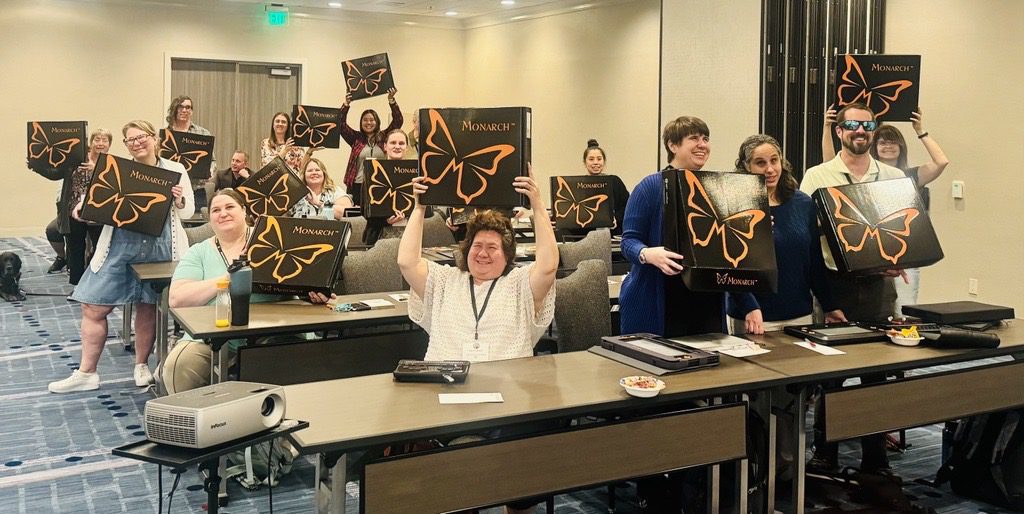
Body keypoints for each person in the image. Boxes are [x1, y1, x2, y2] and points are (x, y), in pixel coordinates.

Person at [398, 169, 556, 514]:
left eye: (493, 247)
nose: (483, 254)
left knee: (535, 430)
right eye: (477, 246)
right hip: (447, 395)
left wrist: (537, 203)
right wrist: (420, 207)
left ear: (508, 254)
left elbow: (547, 266)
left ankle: (510, 498)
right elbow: (406, 261)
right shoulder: (445, 281)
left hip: (507, 400)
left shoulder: (518, 285)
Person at [48, 120, 194, 393]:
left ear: (155, 139)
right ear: (125, 145)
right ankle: (86, 372)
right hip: (118, 246)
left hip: (160, 248)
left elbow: (186, 213)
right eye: (131, 140)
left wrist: (179, 199)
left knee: (147, 305)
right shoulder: (117, 170)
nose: (137, 143)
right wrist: (82, 209)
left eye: (142, 137)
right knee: (92, 305)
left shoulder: (175, 170)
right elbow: (91, 200)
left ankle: (141, 366)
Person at [801, 102, 905, 473]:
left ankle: (874, 457)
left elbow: (901, 229)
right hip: (835, 286)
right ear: (840, 131)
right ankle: (825, 452)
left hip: (880, 287)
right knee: (832, 374)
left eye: (867, 125)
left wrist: (899, 256)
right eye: (852, 125)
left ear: (874, 130)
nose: (860, 131)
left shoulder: (893, 176)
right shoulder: (817, 176)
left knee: (877, 373)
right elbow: (807, 237)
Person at [163, 188, 330, 393]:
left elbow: (304, 279)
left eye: (230, 207)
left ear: (244, 211)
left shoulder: (274, 241)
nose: (223, 213)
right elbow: (177, 299)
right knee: (177, 366)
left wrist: (315, 293)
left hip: (273, 332)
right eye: (216, 210)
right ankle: (198, 422)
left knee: (294, 360)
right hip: (211, 337)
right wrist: (227, 279)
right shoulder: (199, 252)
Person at [726, 135, 846, 334]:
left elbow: (814, 262)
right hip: (754, 317)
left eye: (774, 160)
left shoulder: (803, 204)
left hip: (800, 315)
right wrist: (748, 306)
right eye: (760, 163)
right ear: (746, 167)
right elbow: (728, 265)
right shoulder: (733, 205)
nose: (770, 169)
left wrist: (829, 305)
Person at [618, 115, 723, 337]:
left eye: (706, 138)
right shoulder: (649, 187)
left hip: (705, 303)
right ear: (672, 145)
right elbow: (628, 242)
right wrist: (647, 253)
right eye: (693, 138)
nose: (702, 144)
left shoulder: (717, 188)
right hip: (659, 299)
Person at [30, 129, 111, 284]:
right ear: (91, 142)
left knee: (101, 250)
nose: (100, 143)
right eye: (97, 139)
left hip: (99, 213)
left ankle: (98, 284)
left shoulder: (111, 163)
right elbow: (56, 173)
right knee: (75, 249)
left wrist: (96, 169)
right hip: (73, 212)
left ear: (110, 144)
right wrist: (36, 166)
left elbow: (113, 184)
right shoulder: (76, 159)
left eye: (105, 140)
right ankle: (77, 285)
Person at [339, 87, 402, 205]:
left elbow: (398, 121)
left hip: (380, 184)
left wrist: (391, 100)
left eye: (372, 120)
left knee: (378, 216)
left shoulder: (384, 137)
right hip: (357, 185)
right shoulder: (355, 138)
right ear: (361, 123)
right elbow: (341, 125)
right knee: (357, 217)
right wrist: (346, 105)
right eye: (365, 120)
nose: (368, 123)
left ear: (377, 122)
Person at [363, 128, 419, 245]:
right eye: (393, 143)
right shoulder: (373, 171)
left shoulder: (417, 172)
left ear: (406, 147)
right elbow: (365, 209)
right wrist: (386, 221)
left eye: (401, 143)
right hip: (379, 236)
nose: (397, 146)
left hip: (410, 234)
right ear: (385, 146)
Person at [166, 95, 216, 206]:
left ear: (191, 111)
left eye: (188, 107)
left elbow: (212, 161)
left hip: (197, 190)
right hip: (171, 189)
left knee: (198, 222)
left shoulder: (203, 133)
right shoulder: (165, 135)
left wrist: (210, 171)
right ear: (175, 109)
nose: (184, 110)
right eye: (180, 107)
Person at [580, 138, 630, 236]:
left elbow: (627, 206)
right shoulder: (579, 184)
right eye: (591, 159)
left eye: (599, 159)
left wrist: (615, 218)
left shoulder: (615, 181)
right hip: (585, 237)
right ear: (585, 162)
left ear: (604, 161)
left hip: (613, 235)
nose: (595, 162)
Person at [289, 155, 354, 220]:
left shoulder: (335, 191)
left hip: (329, 229)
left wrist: (319, 203)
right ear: (304, 175)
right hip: (300, 228)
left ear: (324, 174)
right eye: (310, 171)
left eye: (317, 170)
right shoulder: (296, 193)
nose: (314, 173)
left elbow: (349, 214)